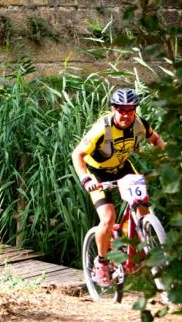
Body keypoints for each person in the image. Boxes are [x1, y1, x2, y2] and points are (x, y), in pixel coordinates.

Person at [71, 88, 165, 288]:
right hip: (98, 173)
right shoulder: (101, 129)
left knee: (143, 209)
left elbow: (156, 140)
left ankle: (133, 247)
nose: (126, 115)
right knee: (108, 217)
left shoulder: (140, 124)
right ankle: (102, 262)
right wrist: (86, 179)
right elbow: (77, 154)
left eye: (130, 110)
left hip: (123, 168)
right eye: (121, 110)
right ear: (113, 109)